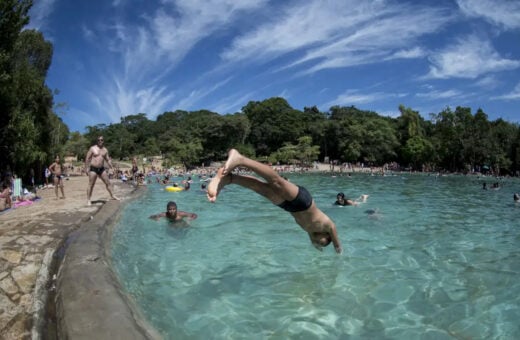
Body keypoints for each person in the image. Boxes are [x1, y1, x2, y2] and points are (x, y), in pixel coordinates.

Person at [207, 149, 342, 253]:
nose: (321, 244)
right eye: (324, 243)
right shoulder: (327, 226)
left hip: (289, 208)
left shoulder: (310, 232)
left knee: (260, 188)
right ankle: (240, 159)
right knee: (277, 182)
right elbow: (334, 231)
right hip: (304, 202)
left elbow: (315, 242)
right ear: (328, 236)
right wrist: (337, 248)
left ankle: (230, 179)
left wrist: (319, 250)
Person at [84, 136, 119, 205]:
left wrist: (111, 166)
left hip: (102, 169)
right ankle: (88, 199)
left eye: (101, 140)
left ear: (103, 141)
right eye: (98, 140)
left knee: (108, 183)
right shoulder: (92, 148)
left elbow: (107, 159)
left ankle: (112, 195)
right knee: (91, 184)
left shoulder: (105, 150)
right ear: (97, 141)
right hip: (93, 168)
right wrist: (86, 168)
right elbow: (87, 158)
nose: (100, 141)